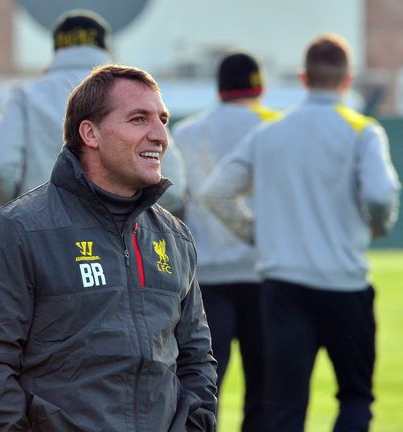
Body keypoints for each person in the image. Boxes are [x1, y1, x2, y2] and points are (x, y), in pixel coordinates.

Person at [0, 64, 217, 431]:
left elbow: (197, 359)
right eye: (139, 119)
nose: (160, 135)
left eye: (162, 119)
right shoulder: (17, 229)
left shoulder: (173, 237)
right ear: (90, 133)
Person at [201, 34, 400, 432]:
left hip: (283, 287)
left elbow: (216, 192)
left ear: (302, 77)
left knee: (285, 408)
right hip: (344, 284)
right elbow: (380, 194)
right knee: (355, 397)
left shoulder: (272, 132)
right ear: (347, 79)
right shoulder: (363, 130)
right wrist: (376, 226)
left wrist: (258, 234)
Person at [0, 9, 187, 214]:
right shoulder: (134, 95)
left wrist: (24, 207)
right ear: (103, 45)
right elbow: (172, 185)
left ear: (57, 48)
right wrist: (135, 214)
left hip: (44, 226)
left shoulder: (26, 95)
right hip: (115, 230)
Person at [173, 51, 279, 431]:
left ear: (219, 87)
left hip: (206, 276)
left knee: (204, 385)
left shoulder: (186, 132)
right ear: (260, 86)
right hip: (264, 271)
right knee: (264, 388)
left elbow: (174, 203)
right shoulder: (274, 126)